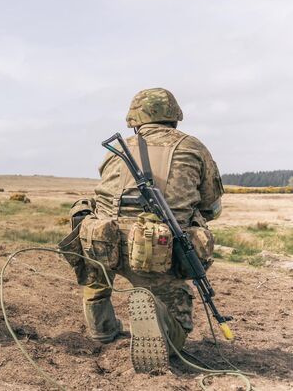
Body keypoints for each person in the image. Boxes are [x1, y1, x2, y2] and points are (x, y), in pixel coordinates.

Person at [64, 88, 223, 372]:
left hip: (103, 242)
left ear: (135, 119)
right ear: (174, 117)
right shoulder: (193, 147)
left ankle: (102, 329)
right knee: (177, 321)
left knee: (96, 276)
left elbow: (104, 191)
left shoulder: (117, 150)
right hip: (156, 248)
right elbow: (211, 204)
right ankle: (159, 326)